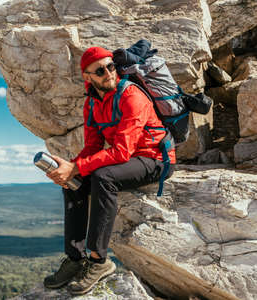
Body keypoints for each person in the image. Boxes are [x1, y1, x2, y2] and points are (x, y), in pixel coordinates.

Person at [44, 46, 176, 295]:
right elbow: (93, 146)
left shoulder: (131, 96)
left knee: (103, 177)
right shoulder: (92, 103)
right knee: (74, 181)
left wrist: (76, 167)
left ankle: (98, 260)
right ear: (87, 77)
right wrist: (70, 169)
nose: (108, 73)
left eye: (111, 66)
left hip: (155, 159)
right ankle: (75, 257)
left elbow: (121, 152)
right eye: (100, 70)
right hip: (130, 159)